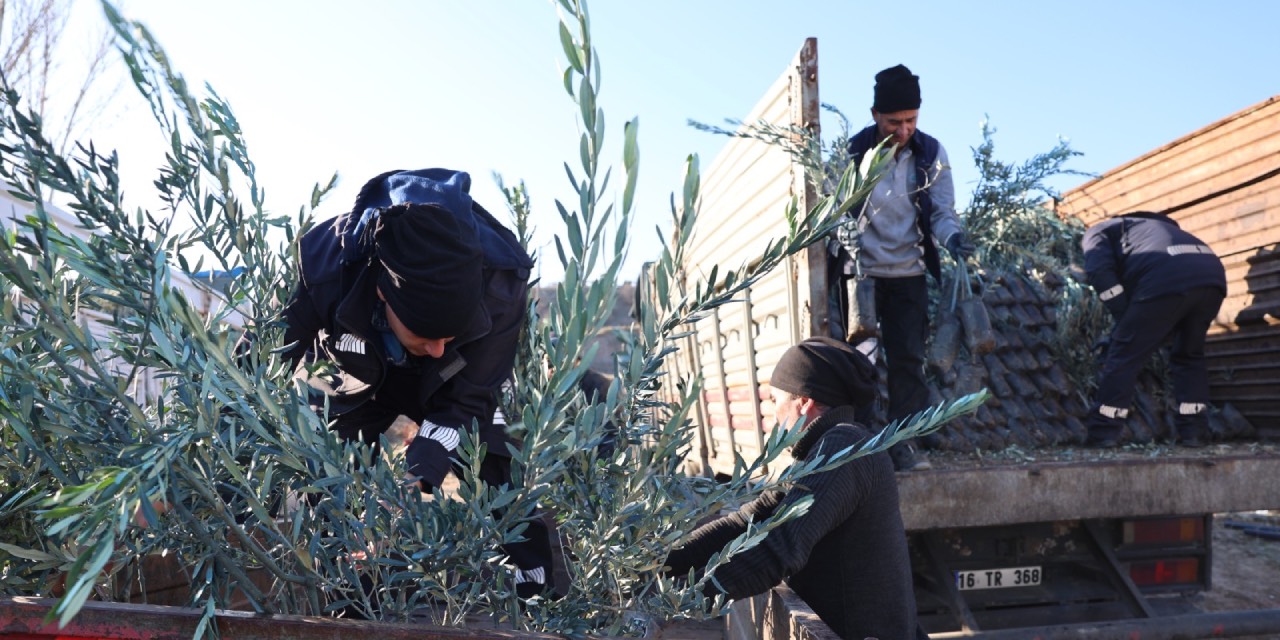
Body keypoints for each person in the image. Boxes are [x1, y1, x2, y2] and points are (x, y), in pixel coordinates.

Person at [279, 167, 553, 598]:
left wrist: (410, 486)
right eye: (427, 336)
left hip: (455, 385)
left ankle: (538, 596)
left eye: (450, 335)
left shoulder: (501, 285)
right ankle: (346, 600)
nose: (440, 347)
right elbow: (251, 366)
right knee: (328, 475)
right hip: (358, 376)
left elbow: (467, 404)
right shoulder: (327, 265)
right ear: (384, 293)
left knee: (496, 461)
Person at [664, 337, 925, 640]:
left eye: (775, 401)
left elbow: (781, 549)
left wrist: (679, 601)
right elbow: (748, 521)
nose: (773, 415)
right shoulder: (823, 451)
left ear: (804, 403)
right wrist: (659, 563)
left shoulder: (845, 450)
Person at [831, 63, 972, 471]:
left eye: (911, 120)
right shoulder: (852, 152)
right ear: (875, 116)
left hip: (908, 276)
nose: (904, 129)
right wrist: (844, 234)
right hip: (862, 280)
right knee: (861, 362)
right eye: (895, 121)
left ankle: (903, 446)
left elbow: (943, 212)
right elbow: (834, 208)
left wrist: (954, 240)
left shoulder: (930, 154)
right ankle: (859, 449)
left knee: (909, 362)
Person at [1080, 211, 1226, 448]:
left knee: (1124, 355)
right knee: (1189, 356)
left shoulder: (1101, 229)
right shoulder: (1161, 232)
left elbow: (1099, 271)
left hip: (1168, 277)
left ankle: (1103, 433)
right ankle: (1194, 432)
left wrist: (1123, 320)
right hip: (1213, 277)